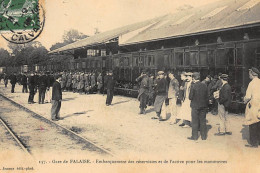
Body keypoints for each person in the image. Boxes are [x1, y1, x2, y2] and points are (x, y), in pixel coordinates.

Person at [188, 72, 208, 140]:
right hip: (203, 106)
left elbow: (190, 97)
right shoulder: (204, 85)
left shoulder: (193, 86)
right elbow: (207, 96)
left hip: (195, 106)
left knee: (195, 121)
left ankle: (195, 136)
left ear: (193, 78)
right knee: (203, 121)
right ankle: (204, 137)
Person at [243, 67, 260, 148]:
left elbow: (248, 96)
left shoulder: (252, 83)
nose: (248, 75)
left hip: (253, 104)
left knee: (252, 123)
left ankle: (253, 143)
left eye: (249, 73)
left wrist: (244, 100)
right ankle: (258, 141)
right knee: (259, 122)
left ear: (252, 74)